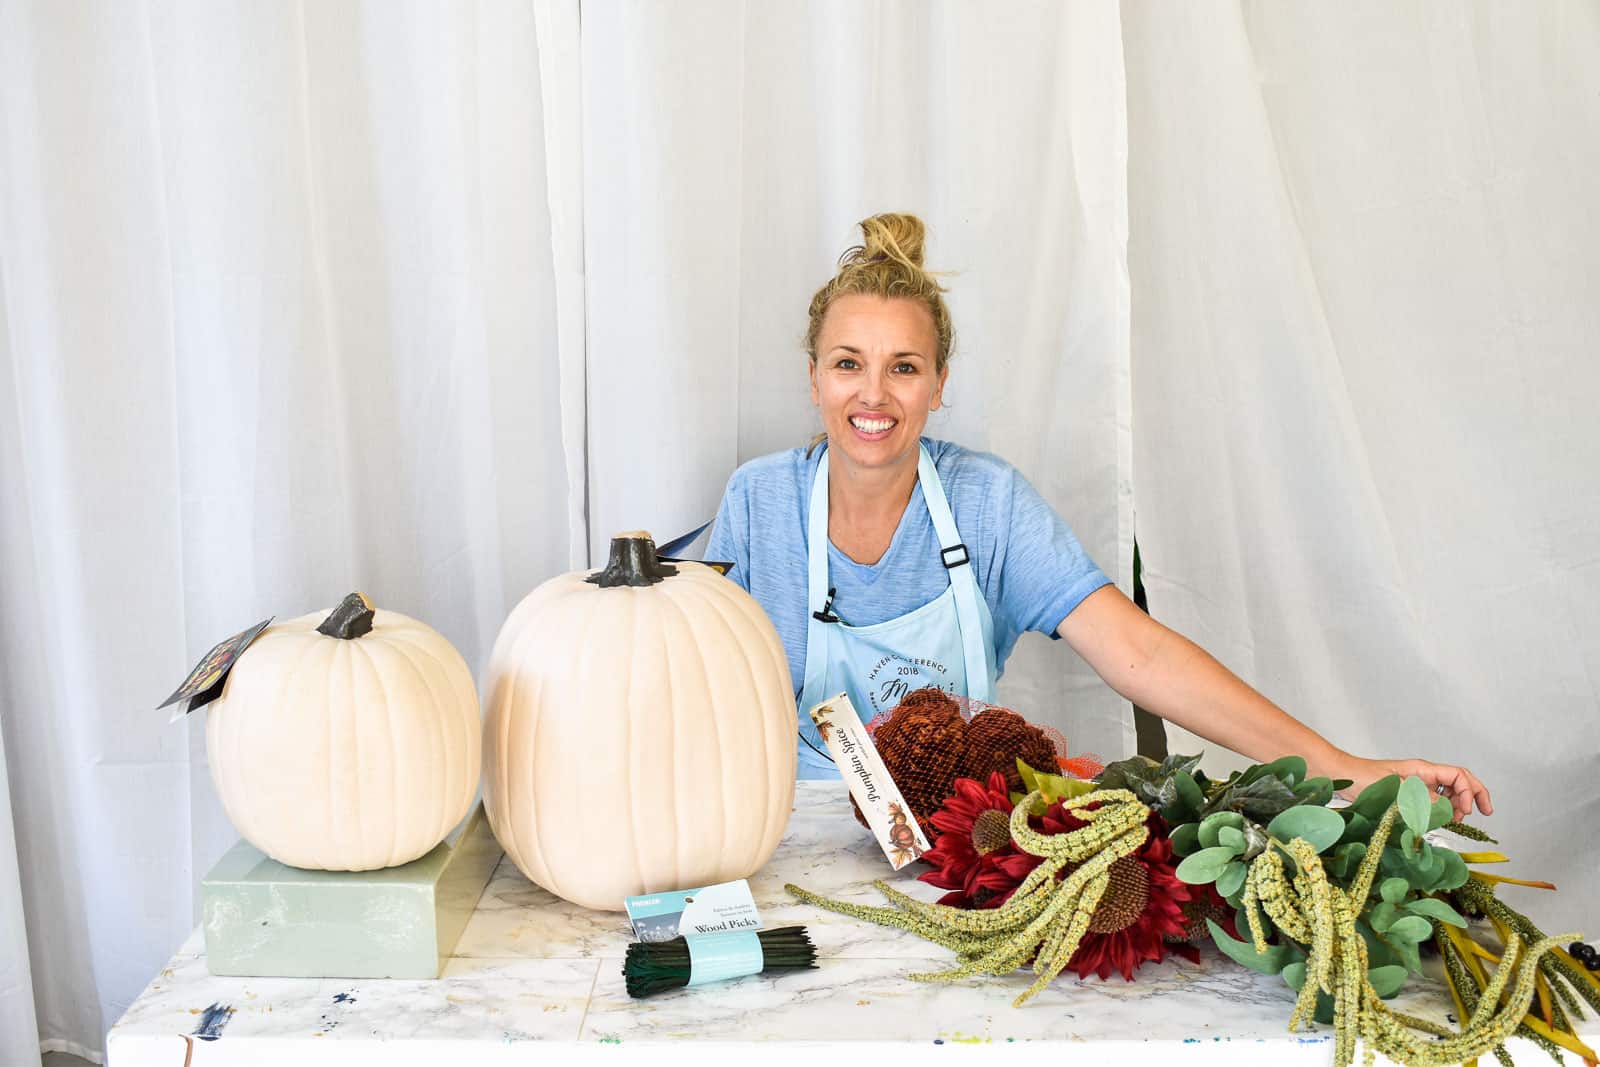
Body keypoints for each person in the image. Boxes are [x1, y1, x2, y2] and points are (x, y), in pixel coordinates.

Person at [706, 212, 1491, 819]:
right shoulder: (758, 501)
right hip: (791, 835)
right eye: (849, 364)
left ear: (939, 384)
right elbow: (693, 688)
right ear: (814, 378)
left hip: (960, 843)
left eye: (903, 367)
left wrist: (1347, 769)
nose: (873, 394)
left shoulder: (988, 504)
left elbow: (1140, 654)